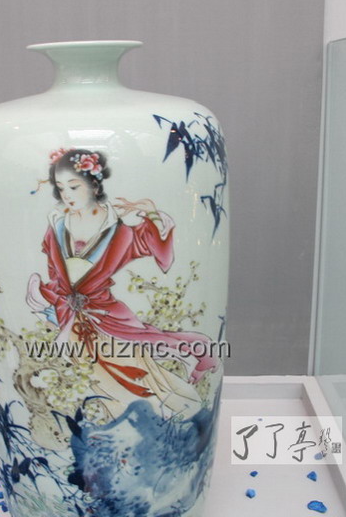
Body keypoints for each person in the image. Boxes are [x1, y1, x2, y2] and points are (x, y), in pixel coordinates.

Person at [26, 147, 218, 419]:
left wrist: (152, 214)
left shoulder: (118, 231)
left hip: (106, 315)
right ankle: (116, 426)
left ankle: (169, 415)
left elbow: (155, 246)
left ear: (94, 185)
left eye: (74, 186)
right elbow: (55, 274)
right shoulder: (56, 225)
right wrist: (50, 305)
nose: (67, 194)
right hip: (70, 317)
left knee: (137, 369)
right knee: (95, 379)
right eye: (61, 188)